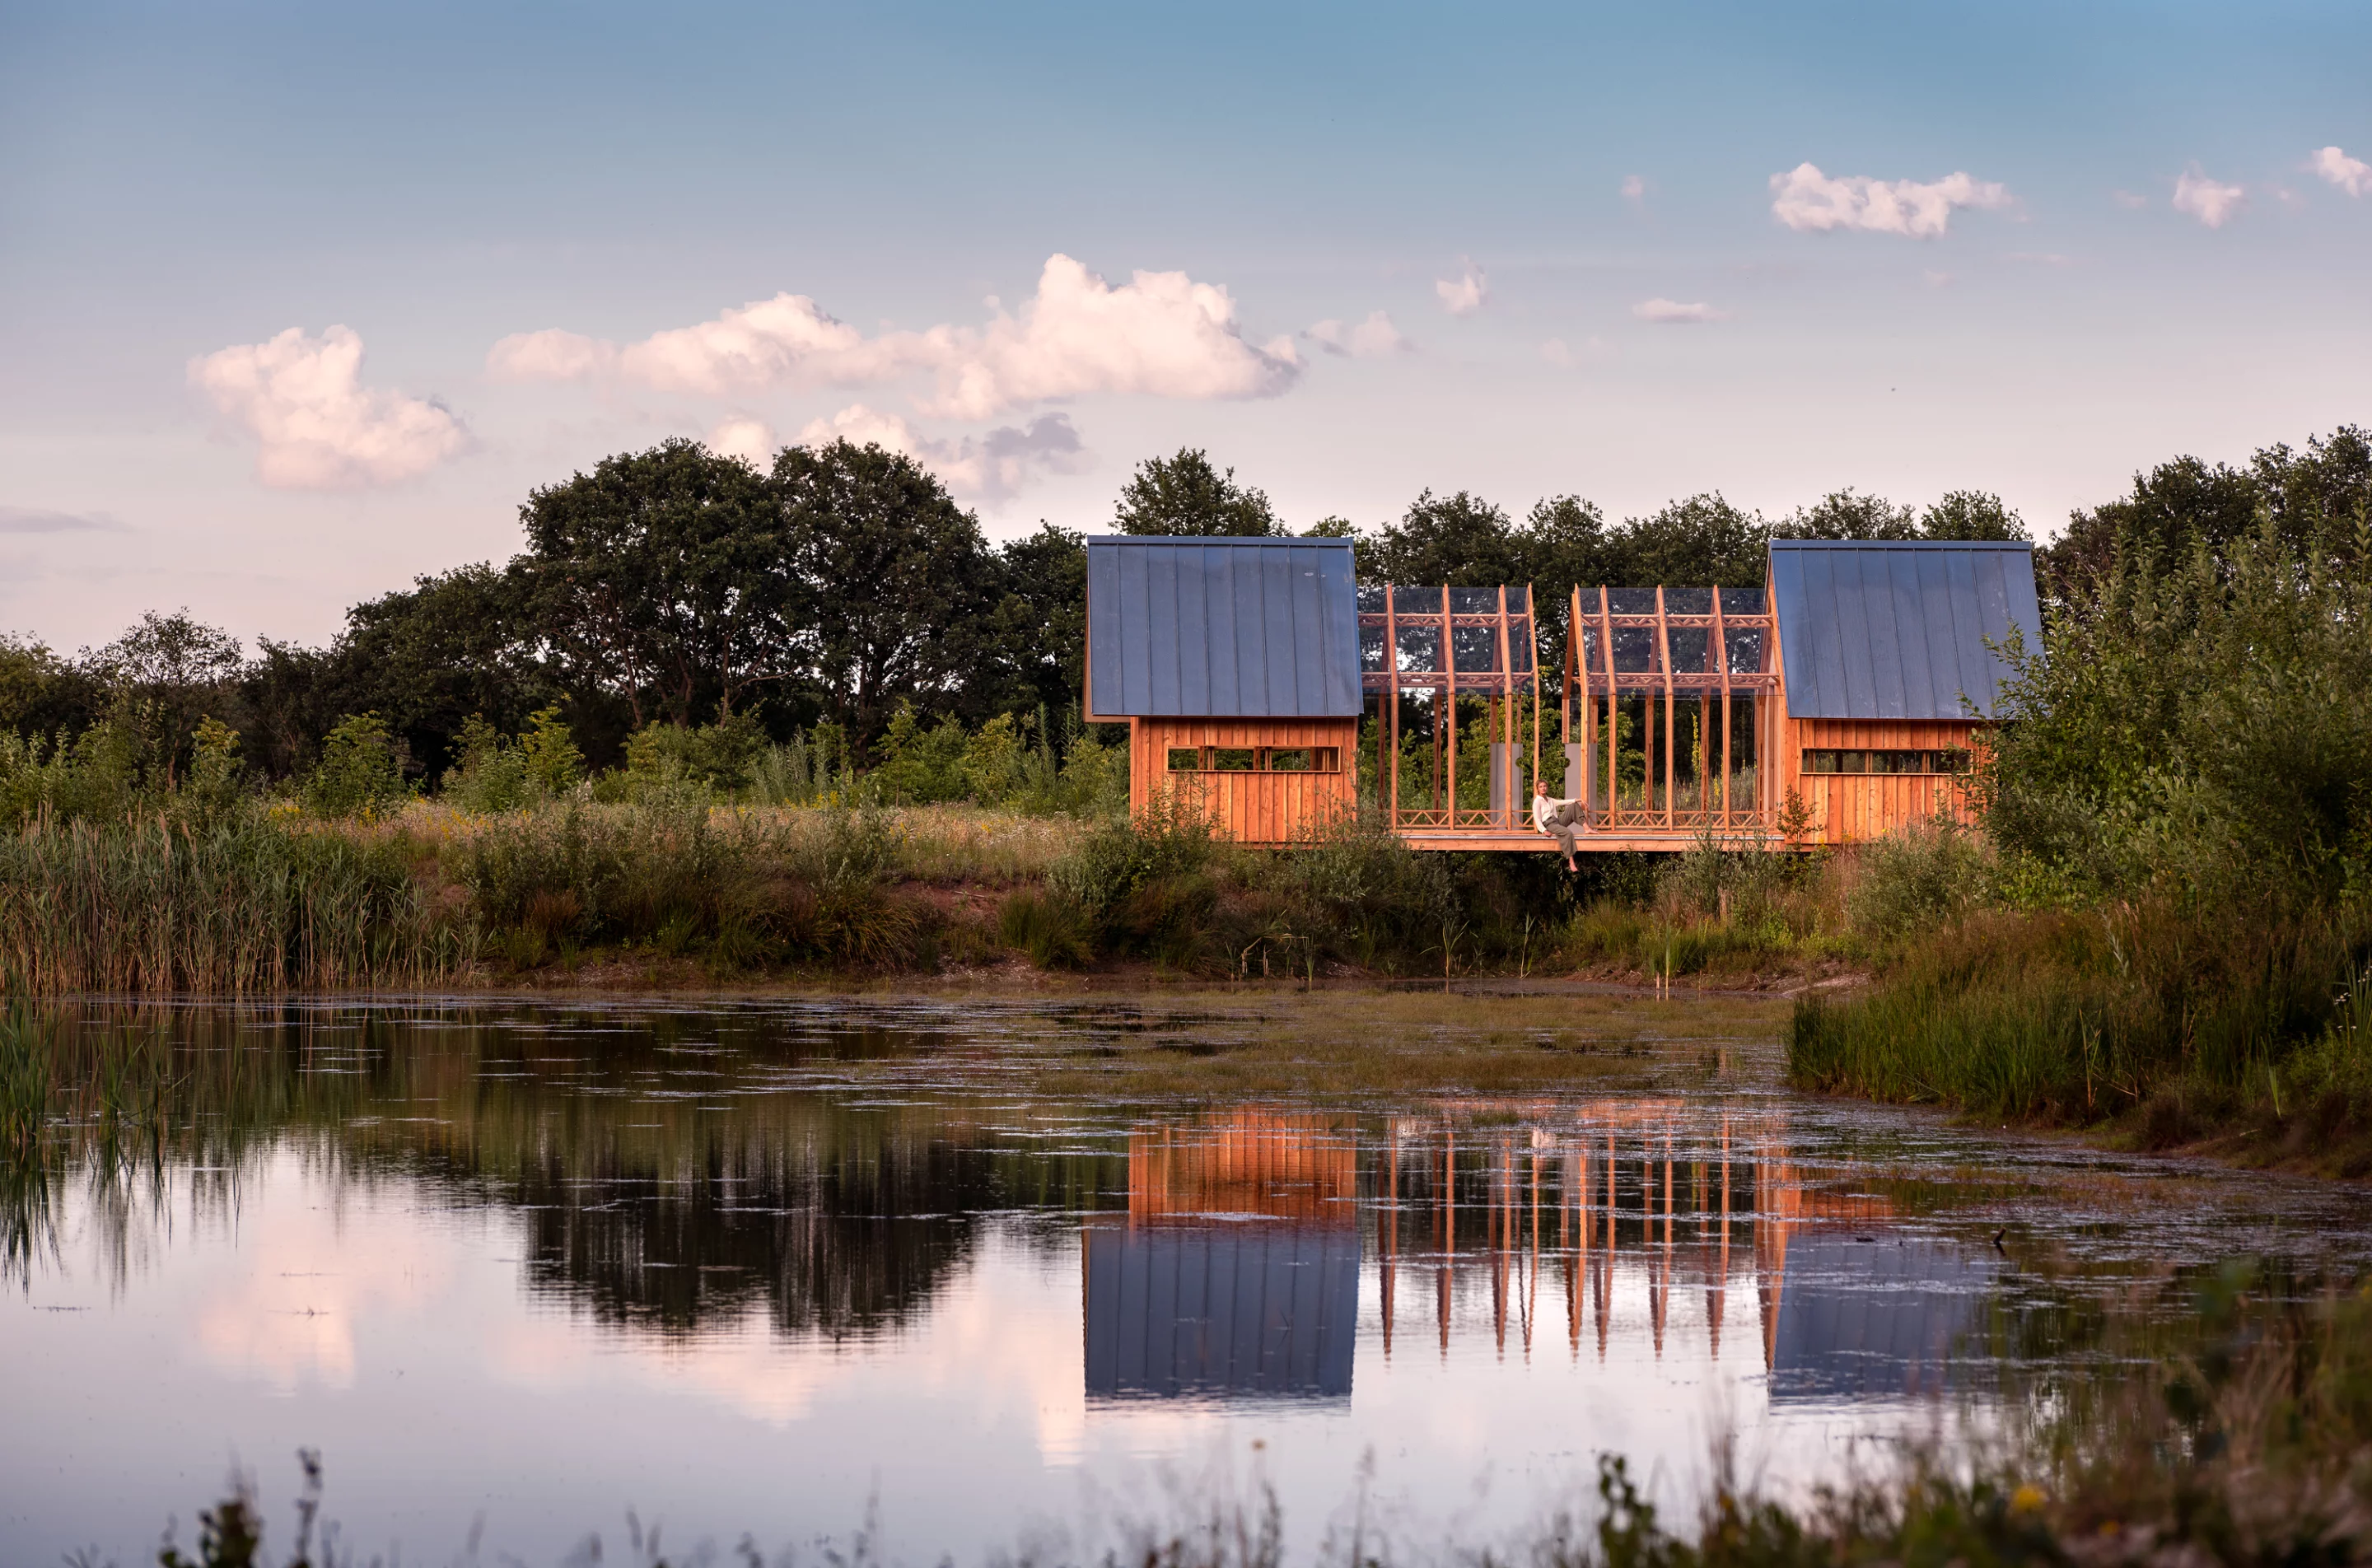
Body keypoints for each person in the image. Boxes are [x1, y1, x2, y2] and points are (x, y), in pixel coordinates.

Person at [1533, 778, 1585, 870]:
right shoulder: (1537, 802)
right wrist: (1544, 831)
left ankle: (1587, 827)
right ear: (1538, 789)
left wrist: (1576, 800)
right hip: (1549, 824)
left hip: (1557, 821)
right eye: (1541, 787)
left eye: (1545, 786)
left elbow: (1562, 802)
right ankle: (1571, 862)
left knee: (1574, 806)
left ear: (1547, 787)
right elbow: (1537, 819)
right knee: (1567, 833)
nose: (1543, 788)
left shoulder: (1550, 800)